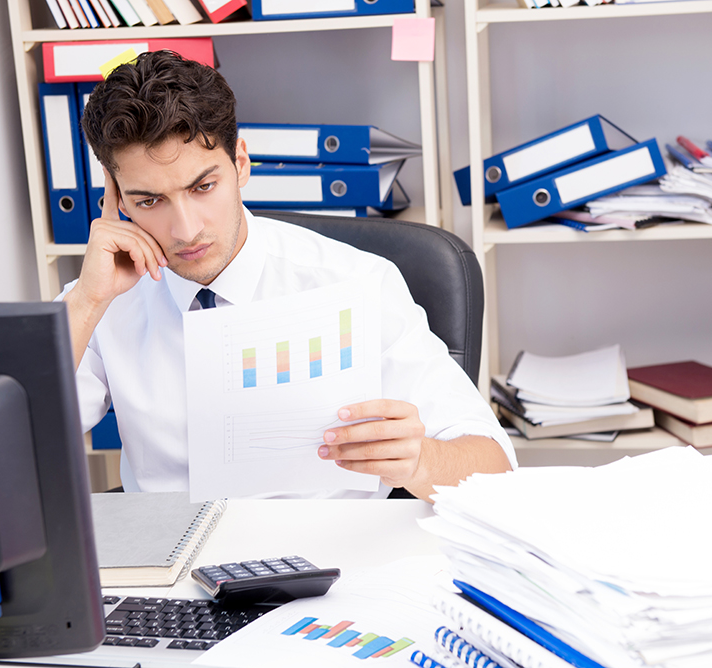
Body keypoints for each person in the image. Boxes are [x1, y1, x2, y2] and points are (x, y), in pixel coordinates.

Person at [61, 50, 515, 502]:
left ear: (240, 163)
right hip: (174, 562)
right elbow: (7, 450)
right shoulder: (100, 299)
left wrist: (420, 462)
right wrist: (86, 303)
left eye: (203, 187)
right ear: (115, 196)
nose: (186, 229)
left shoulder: (356, 282)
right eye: (149, 201)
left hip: (333, 560)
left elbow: (495, 468)